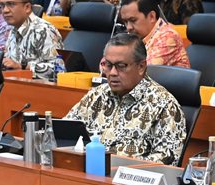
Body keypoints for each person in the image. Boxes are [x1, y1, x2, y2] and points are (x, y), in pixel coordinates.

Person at [65, 33, 187, 165]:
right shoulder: (96, 95)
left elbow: (167, 161)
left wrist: (116, 167)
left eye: (121, 66)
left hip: (128, 180)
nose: (112, 73)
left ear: (141, 67)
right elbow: (63, 133)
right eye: (108, 65)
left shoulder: (164, 105)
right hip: (86, 172)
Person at [0, 0, 63, 79]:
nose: (5, 10)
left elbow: (58, 69)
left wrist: (23, 66)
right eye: (2, 6)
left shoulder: (43, 30)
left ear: (27, 7)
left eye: (11, 4)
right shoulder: (13, 29)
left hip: (40, 89)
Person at [118, 0, 189, 67]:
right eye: (125, 22)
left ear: (151, 16)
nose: (128, 27)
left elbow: (140, 72)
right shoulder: (134, 36)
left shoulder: (168, 37)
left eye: (133, 20)